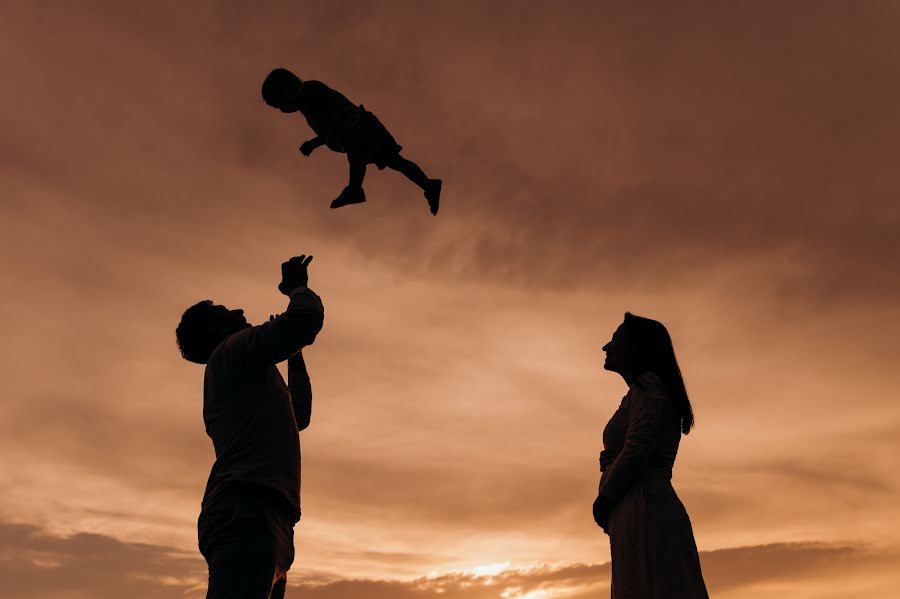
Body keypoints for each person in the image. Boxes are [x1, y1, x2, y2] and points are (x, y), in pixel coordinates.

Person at [175, 254, 325, 599]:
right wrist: (297, 288)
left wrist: (294, 354)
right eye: (224, 311)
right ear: (213, 330)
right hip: (249, 508)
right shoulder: (231, 351)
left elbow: (297, 414)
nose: (239, 311)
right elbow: (306, 318)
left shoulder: (241, 367)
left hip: (262, 510)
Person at [593, 313, 709, 599]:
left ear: (636, 347)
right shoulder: (639, 393)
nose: (606, 346)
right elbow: (634, 447)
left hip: (646, 506)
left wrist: (605, 497)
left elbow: (640, 448)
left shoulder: (650, 386)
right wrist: (613, 461)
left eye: (616, 339)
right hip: (634, 508)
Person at [261, 67, 442, 215]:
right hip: (357, 130)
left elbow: (331, 120)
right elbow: (328, 131)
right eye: (277, 107)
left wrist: (316, 140)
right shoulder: (305, 104)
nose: (282, 109)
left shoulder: (309, 91)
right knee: (396, 162)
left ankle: (354, 189)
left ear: (287, 87)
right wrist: (313, 143)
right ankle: (429, 185)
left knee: (357, 154)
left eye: (280, 102)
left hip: (360, 127)